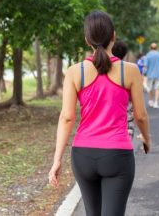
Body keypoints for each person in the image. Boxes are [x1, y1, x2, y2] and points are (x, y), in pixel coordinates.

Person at [48, 11, 151, 216]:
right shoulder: (129, 70)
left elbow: (67, 117)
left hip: (83, 155)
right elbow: (140, 115)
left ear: (87, 40)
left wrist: (57, 159)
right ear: (114, 35)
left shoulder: (74, 71)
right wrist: (147, 139)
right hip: (117, 156)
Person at [112, 40, 136, 139]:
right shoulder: (130, 71)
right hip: (126, 122)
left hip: (105, 125)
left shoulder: (100, 70)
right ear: (125, 54)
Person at [145, 43, 159, 108]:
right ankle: (156, 103)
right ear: (157, 48)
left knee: (149, 88)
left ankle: (151, 101)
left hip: (149, 74)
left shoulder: (147, 55)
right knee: (158, 88)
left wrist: (143, 74)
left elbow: (145, 66)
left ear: (150, 48)